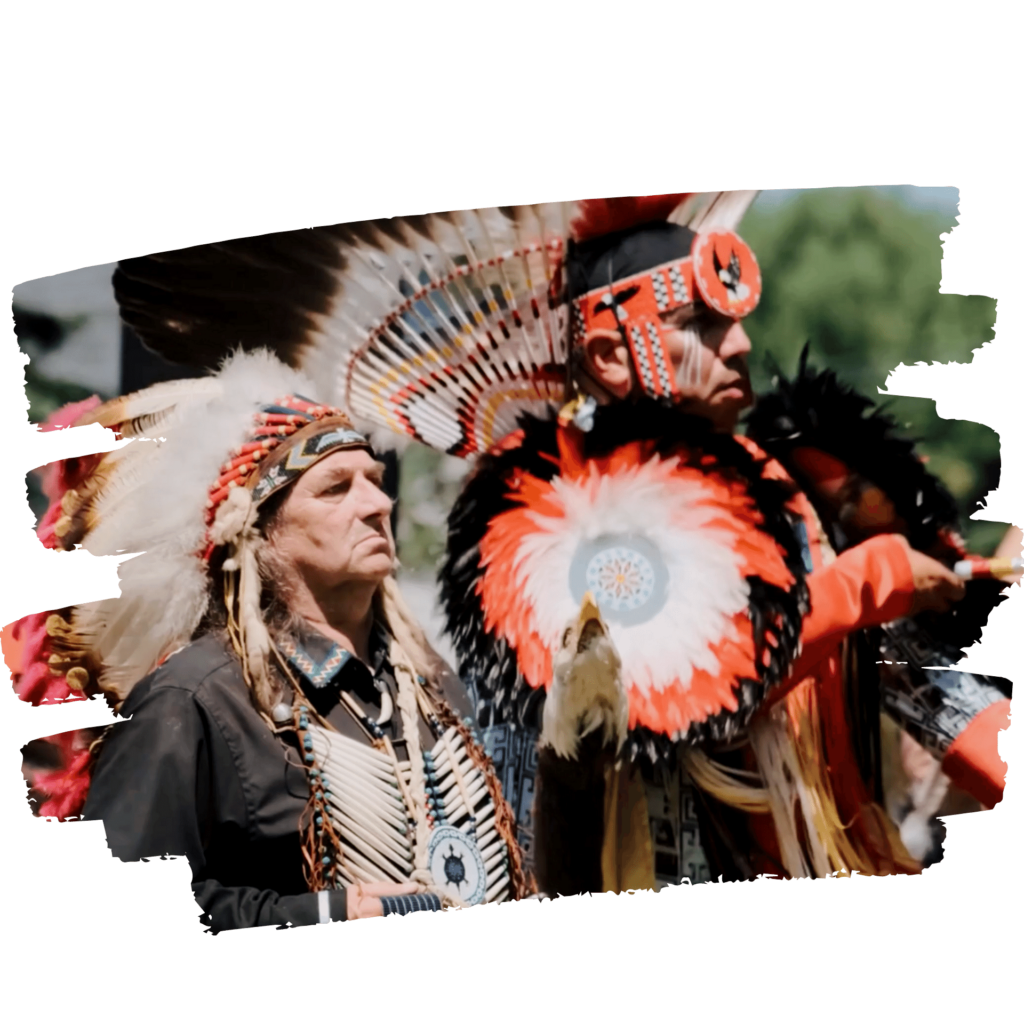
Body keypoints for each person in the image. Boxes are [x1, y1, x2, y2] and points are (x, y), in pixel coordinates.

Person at [439, 193, 1009, 892]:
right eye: (701, 325)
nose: (739, 344)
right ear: (611, 355)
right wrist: (870, 580)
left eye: (734, 321)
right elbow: (668, 695)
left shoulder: (784, 487)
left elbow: (922, 682)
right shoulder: (543, 511)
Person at [15, 349, 527, 931]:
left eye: (376, 482)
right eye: (336, 488)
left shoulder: (428, 687)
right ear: (259, 530)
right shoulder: (191, 701)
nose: (376, 505)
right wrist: (325, 912)